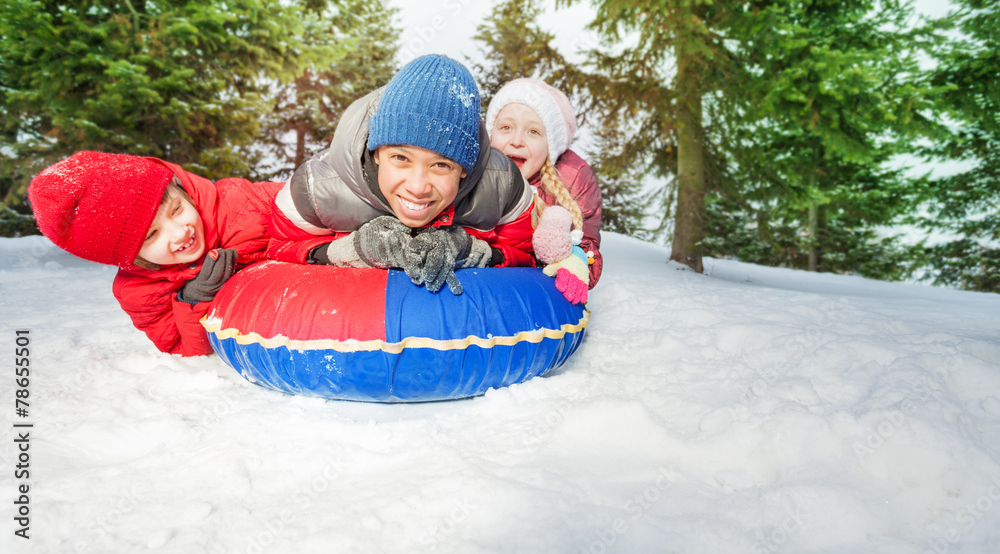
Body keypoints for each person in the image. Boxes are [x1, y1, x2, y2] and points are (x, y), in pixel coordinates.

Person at [268, 54, 536, 295]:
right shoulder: (317, 189)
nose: (418, 187)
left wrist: (471, 250)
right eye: (400, 158)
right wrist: (349, 249)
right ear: (376, 153)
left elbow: (529, 256)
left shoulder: (502, 185)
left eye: (441, 165)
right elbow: (274, 250)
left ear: (464, 168)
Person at [28, 151, 282, 356]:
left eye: (176, 209)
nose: (179, 232)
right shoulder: (141, 293)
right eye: (152, 235)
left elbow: (310, 202)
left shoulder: (240, 203)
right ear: (129, 257)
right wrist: (195, 299)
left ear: (183, 191)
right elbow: (183, 348)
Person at [486, 78, 604, 295]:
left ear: (551, 145)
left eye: (533, 132)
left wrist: (576, 262)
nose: (517, 140)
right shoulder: (474, 173)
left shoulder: (572, 177)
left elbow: (587, 242)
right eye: (505, 127)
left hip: (538, 286)